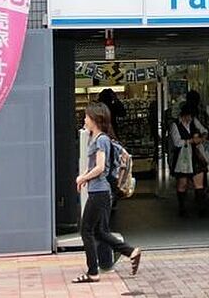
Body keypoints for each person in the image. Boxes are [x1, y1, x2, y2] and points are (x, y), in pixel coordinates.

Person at [72, 102, 141, 283]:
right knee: (100, 232)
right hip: (99, 192)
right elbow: (94, 166)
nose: (84, 120)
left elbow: (100, 167)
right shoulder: (95, 138)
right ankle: (130, 251)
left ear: (95, 119)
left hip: (100, 192)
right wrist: (84, 178)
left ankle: (93, 272)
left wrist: (83, 178)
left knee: (86, 230)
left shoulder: (101, 140)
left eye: (86, 117)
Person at [170, 104, 209, 217]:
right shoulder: (175, 125)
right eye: (189, 116)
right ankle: (182, 207)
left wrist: (202, 138)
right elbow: (177, 142)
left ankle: (201, 208)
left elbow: (204, 130)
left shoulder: (194, 122)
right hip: (182, 157)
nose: (190, 119)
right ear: (184, 115)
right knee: (182, 183)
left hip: (196, 156)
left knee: (199, 183)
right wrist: (191, 140)